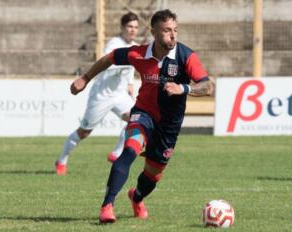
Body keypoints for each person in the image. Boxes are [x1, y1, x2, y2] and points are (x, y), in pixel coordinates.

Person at [70, 9, 212, 223]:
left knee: (153, 176)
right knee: (128, 151)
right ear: (154, 32)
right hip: (143, 114)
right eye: (167, 31)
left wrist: (183, 88)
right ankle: (107, 206)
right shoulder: (139, 53)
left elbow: (207, 85)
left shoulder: (185, 56)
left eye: (175, 30)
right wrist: (85, 78)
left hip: (168, 126)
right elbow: (109, 58)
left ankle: (136, 197)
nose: (173, 35)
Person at [55, 12, 140, 175]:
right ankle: (61, 160)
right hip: (102, 96)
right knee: (84, 132)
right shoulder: (114, 43)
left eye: (136, 27)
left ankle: (115, 154)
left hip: (120, 94)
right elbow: (108, 62)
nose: (133, 30)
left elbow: (131, 67)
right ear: (122, 27)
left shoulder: (135, 46)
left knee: (137, 118)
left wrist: (130, 83)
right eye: (129, 26)